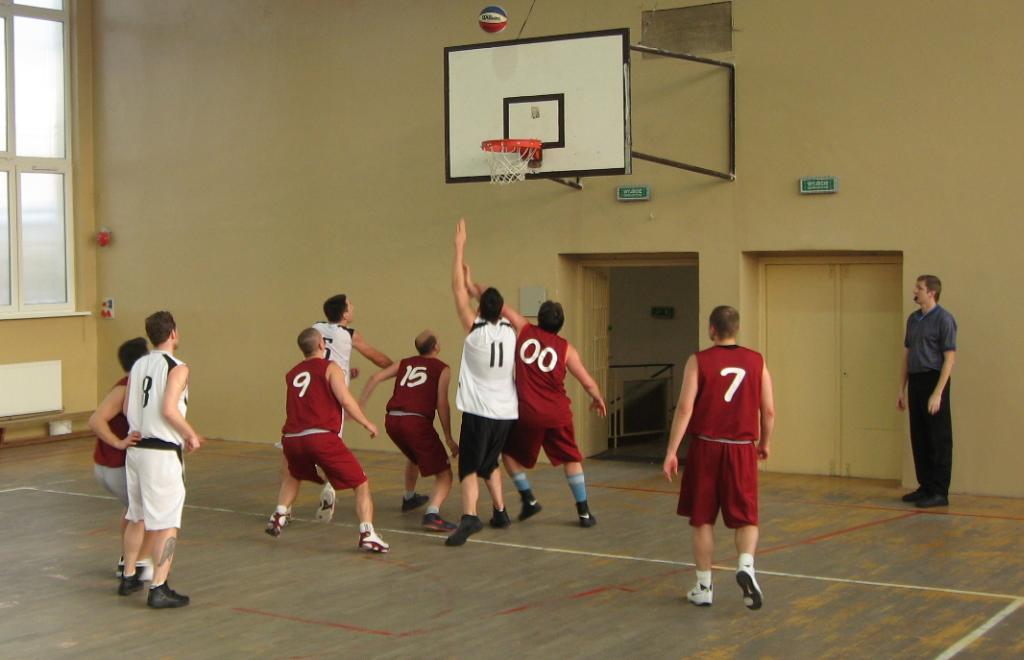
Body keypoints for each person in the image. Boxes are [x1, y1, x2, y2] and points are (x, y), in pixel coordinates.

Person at [463, 268, 607, 527]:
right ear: (561, 324)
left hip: (527, 412)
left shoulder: (524, 329)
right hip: (557, 413)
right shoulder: (566, 349)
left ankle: (528, 497)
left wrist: (471, 285)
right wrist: (597, 398)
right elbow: (587, 381)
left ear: (539, 318)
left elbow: (496, 303)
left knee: (507, 454)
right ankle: (584, 512)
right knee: (571, 459)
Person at [662, 306, 775, 610]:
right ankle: (746, 565)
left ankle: (704, 586)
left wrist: (672, 451)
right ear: (736, 329)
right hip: (742, 448)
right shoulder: (757, 361)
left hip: (706, 448)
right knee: (746, 516)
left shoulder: (699, 361)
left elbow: (685, 408)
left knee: (702, 519)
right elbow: (768, 410)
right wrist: (765, 443)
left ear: (712, 329)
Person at [264, 328, 389, 554]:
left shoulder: (292, 373)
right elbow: (346, 400)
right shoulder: (331, 367)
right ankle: (367, 534)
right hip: (320, 436)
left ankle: (279, 515)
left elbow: (312, 390)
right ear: (322, 345)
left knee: (293, 475)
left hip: (292, 438)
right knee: (361, 483)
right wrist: (367, 423)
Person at [273, 295, 395, 525]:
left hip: (309, 395)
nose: (354, 307)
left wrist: (347, 372)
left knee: (290, 458)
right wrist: (394, 368)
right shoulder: (350, 335)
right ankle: (331, 487)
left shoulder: (315, 328)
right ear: (345, 314)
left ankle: (283, 509)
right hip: (331, 400)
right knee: (327, 448)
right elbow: (375, 356)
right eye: (351, 305)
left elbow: (319, 359)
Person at [120, 311, 204, 609]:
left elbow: (127, 406)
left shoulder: (138, 365)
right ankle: (159, 586)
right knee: (167, 522)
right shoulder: (178, 367)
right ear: (173, 333)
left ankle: (128, 575)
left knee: (137, 515)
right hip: (161, 453)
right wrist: (191, 434)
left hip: (136, 450)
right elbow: (169, 409)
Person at [446, 218, 518, 547]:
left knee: (469, 468)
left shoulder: (474, 331)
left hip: (479, 411)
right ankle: (500, 511)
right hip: (506, 413)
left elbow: (457, 292)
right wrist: (473, 282)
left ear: (479, 308)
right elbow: (480, 296)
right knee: (490, 463)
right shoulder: (511, 329)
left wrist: (459, 249)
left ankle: (470, 517)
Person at [358, 330, 460, 532]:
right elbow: (442, 404)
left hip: (392, 420)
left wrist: (359, 406)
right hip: (415, 422)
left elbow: (374, 377)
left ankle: (409, 497)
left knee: (413, 456)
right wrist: (448, 437)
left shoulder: (404, 363)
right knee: (444, 474)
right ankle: (432, 515)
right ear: (436, 347)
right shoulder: (442, 368)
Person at [88, 337, 153, 582]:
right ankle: (139, 565)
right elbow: (96, 420)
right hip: (115, 466)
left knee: (132, 510)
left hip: (109, 467)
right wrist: (118, 442)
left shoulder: (133, 385)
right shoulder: (126, 387)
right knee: (147, 513)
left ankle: (127, 561)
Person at [898, 275, 957, 508]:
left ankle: (940, 491)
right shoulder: (913, 319)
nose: (915, 291)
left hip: (934, 379)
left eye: (919, 288)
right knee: (919, 435)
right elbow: (907, 355)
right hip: (916, 380)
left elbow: (949, 359)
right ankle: (925, 486)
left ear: (931, 292)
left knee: (938, 438)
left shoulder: (944, 319)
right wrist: (901, 388)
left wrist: (937, 393)